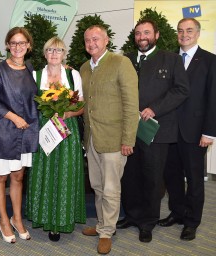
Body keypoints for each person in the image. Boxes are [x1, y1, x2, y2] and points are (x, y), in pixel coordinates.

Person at [118, 19, 189, 243]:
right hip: (128, 129)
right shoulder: (125, 59)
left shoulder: (171, 59)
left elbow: (181, 90)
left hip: (155, 131)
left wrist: (154, 109)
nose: (142, 37)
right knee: (129, 175)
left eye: (146, 33)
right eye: (138, 33)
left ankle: (147, 222)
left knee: (152, 177)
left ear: (156, 35)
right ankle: (131, 215)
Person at [80, 25, 139, 255]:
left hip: (115, 140)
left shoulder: (120, 63)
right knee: (97, 185)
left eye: (96, 39)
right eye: (87, 40)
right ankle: (102, 224)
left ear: (106, 40)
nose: (91, 43)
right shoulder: (85, 68)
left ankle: (107, 232)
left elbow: (131, 105)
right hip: (92, 139)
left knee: (111, 187)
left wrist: (128, 139)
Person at [158, 18, 216, 241]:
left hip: (194, 132)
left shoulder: (210, 61)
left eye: (189, 30)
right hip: (169, 130)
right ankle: (177, 212)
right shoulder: (170, 59)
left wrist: (209, 132)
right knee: (171, 176)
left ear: (198, 33)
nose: (184, 34)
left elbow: (213, 98)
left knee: (193, 179)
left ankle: (192, 221)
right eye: (180, 31)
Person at [26, 37, 86, 242]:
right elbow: (28, 105)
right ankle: (42, 216)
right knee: (43, 173)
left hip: (66, 130)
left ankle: (60, 221)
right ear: (44, 53)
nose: (54, 53)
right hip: (45, 131)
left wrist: (67, 114)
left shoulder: (73, 74)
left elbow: (81, 106)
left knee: (64, 173)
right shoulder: (35, 75)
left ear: (64, 54)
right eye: (50, 49)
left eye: (58, 50)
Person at [0, 27, 39, 244]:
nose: (18, 47)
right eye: (13, 43)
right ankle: (3, 220)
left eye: (22, 43)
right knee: (0, 178)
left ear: (29, 45)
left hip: (27, 132)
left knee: (18, 176)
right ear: (8, 45)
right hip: (4, 131)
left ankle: (17, 218)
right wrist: (14, 118)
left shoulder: (31, 68)